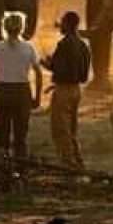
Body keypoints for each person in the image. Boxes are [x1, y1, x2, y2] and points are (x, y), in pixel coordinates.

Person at [0, 11, 42, 158]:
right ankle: (21, 169)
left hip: (2, 91)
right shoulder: (29, 48)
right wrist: (37, 97)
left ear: (4, 27)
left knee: (2, 135)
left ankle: (2, 169)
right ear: (22, 28)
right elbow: (39, 73)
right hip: (22, 91)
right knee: (21, 137)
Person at [41, 11, 91, 170]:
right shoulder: (83, 45)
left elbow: (56, 68)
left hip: (63, 90)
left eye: (62, 22)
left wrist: (45, 62)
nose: (60, 25)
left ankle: (68, 165)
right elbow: (84, 75)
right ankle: (77, 161)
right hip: (77, 90)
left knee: (60, 130)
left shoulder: (64, 45)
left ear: (68, 24)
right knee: (71, 129)